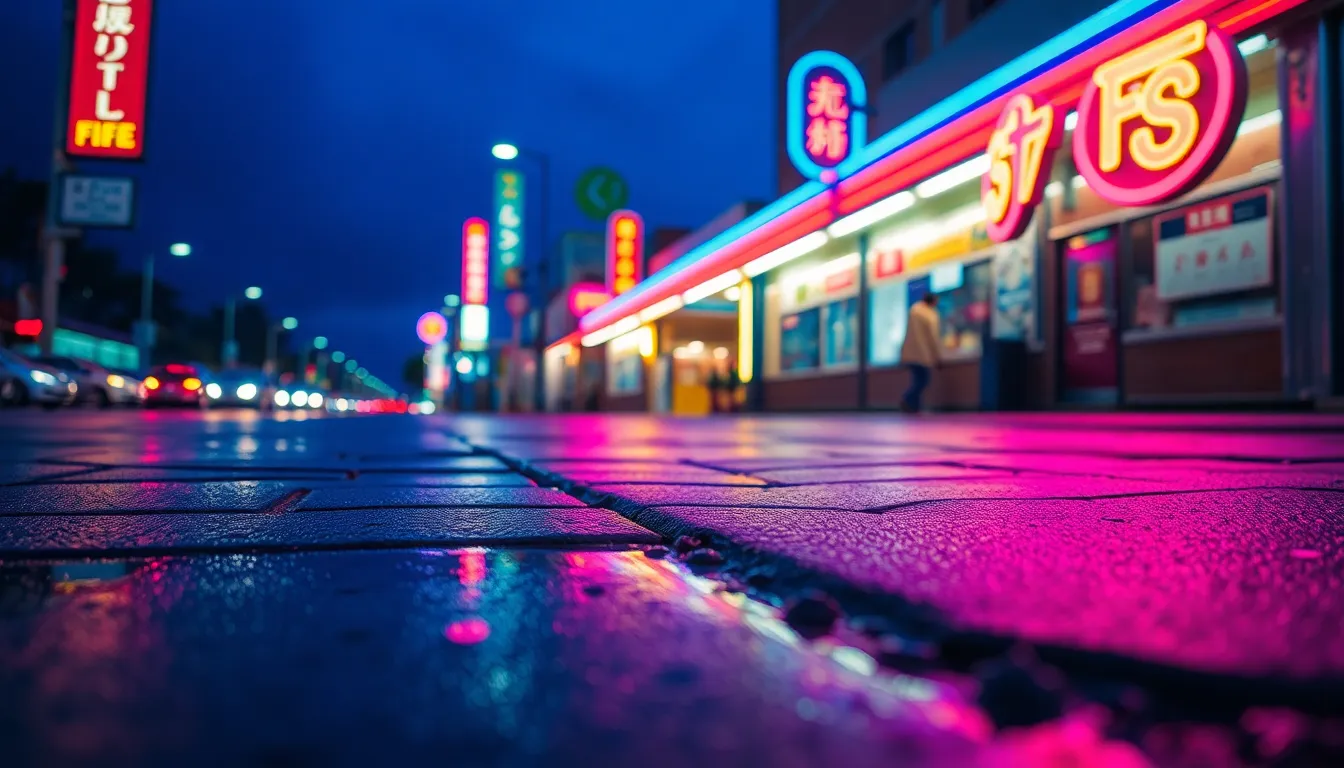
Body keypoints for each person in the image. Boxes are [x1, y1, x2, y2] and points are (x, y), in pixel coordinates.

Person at [899, 292, 942, 413]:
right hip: (923, 353)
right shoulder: (930, 315)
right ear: (933, 302)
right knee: (923, 380)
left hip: (909, 353)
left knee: (918, 379)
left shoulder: (914, 310)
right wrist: (938, 356)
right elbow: (933, 337)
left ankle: (914, 406)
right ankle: (909, 400)